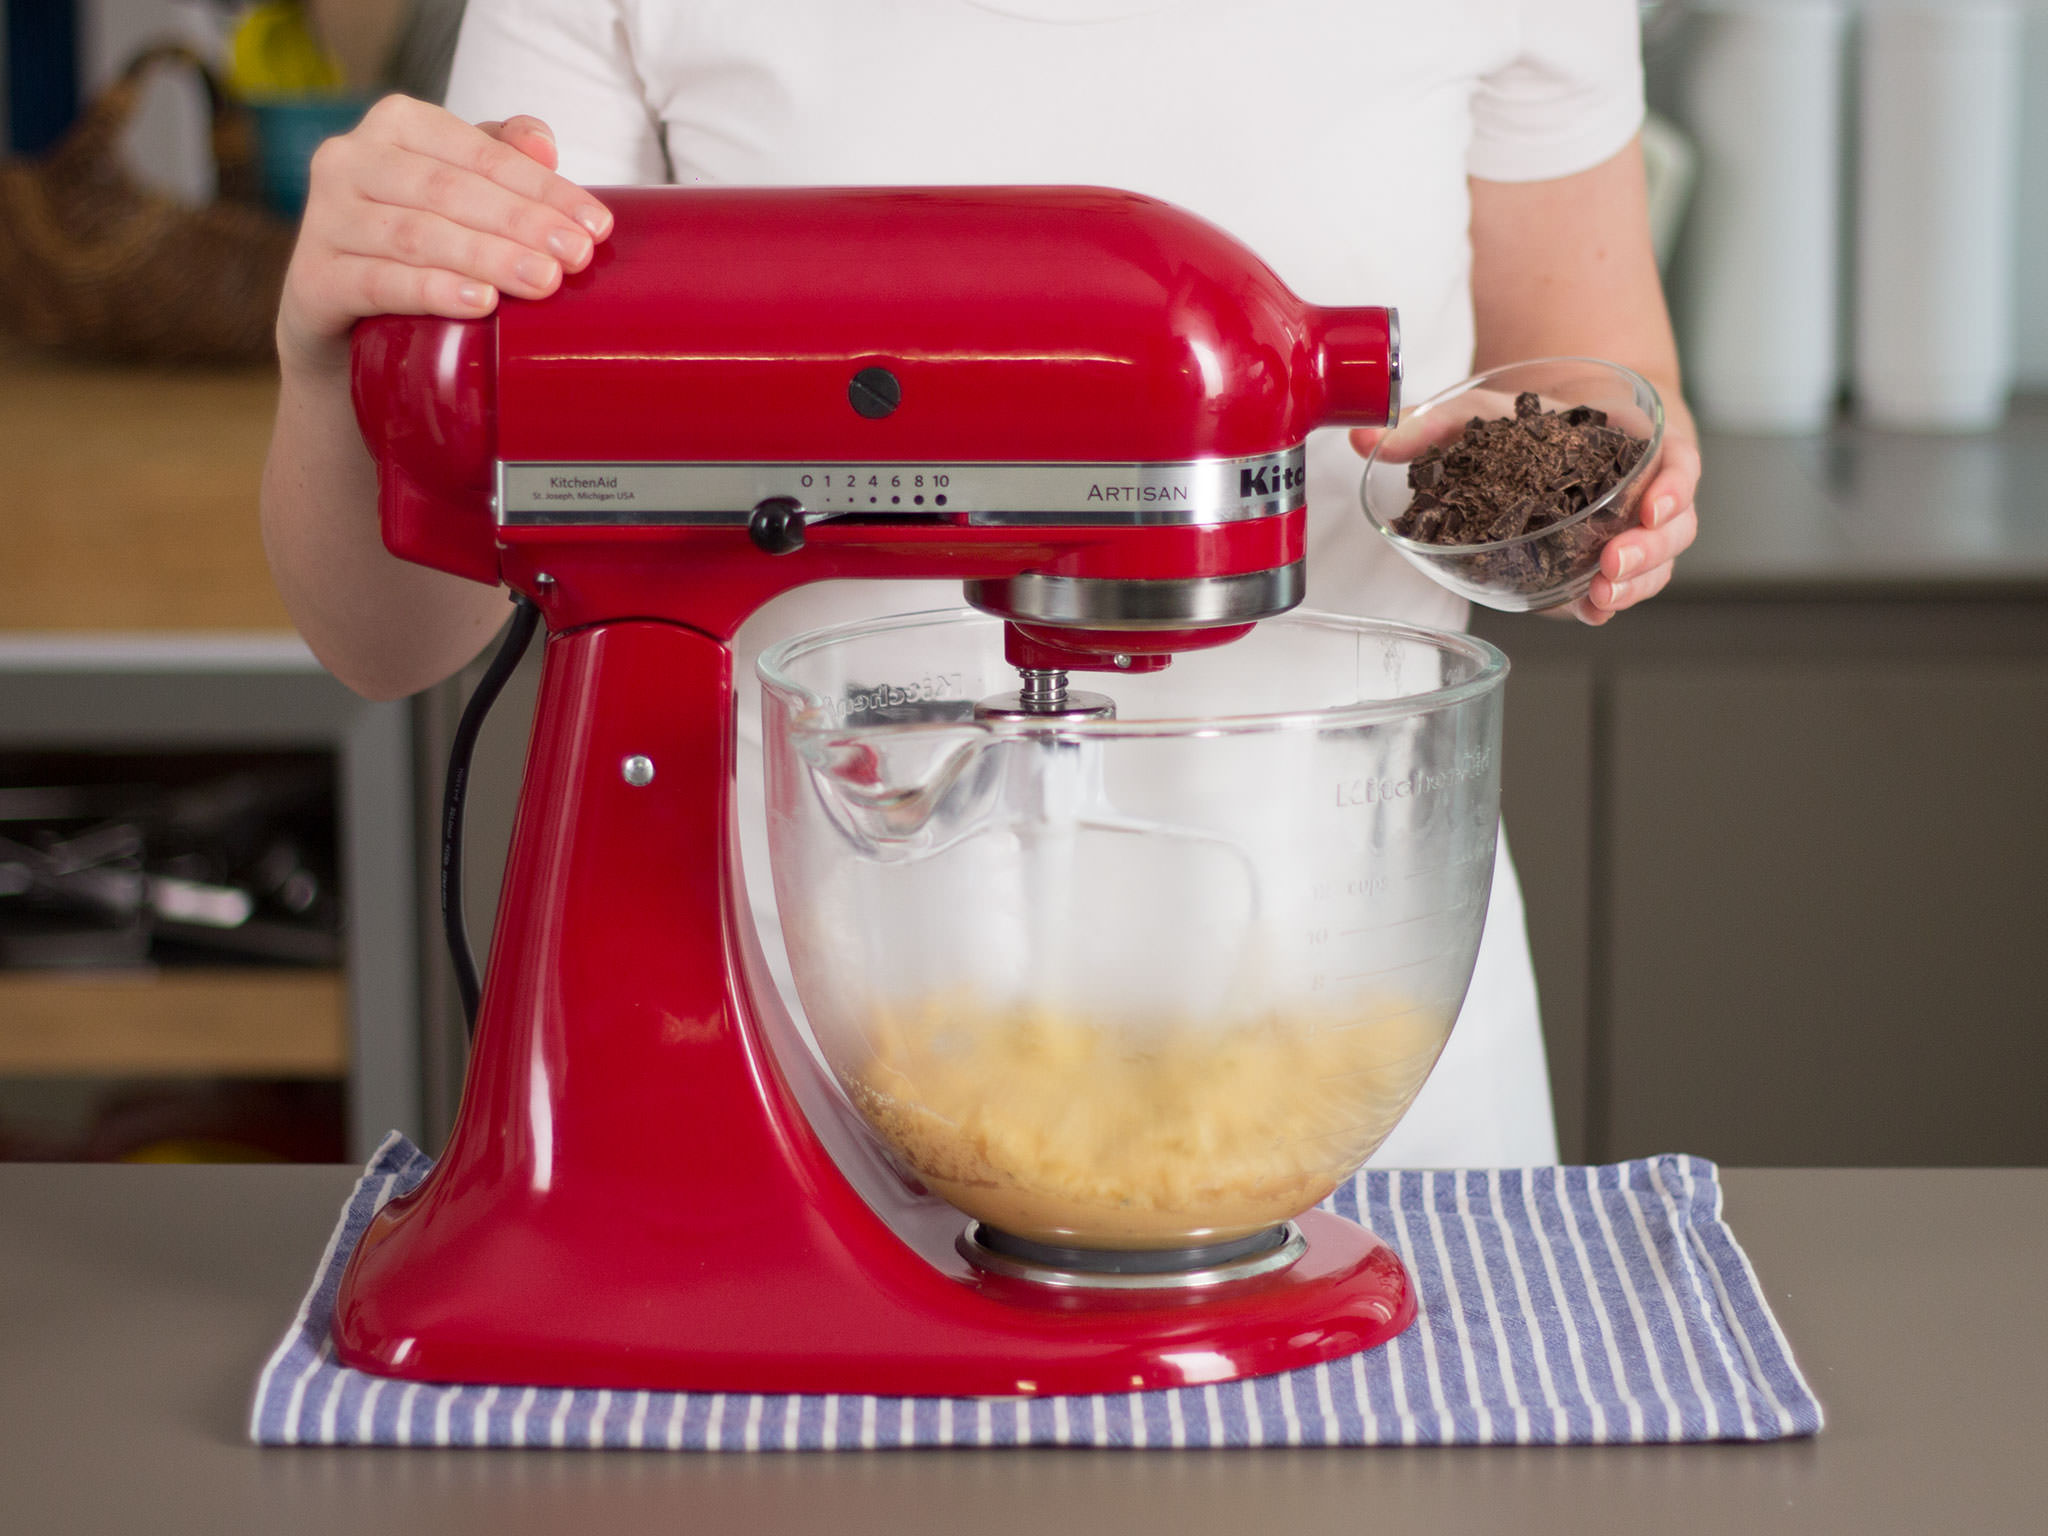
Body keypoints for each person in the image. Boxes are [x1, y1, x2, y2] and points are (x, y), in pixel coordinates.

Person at [262, 0, 1700, 1167]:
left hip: (1352, 1042)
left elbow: (1582, 388)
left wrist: (1583, 483)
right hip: (818, 1042)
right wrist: (336, 357)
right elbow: (390, 637)